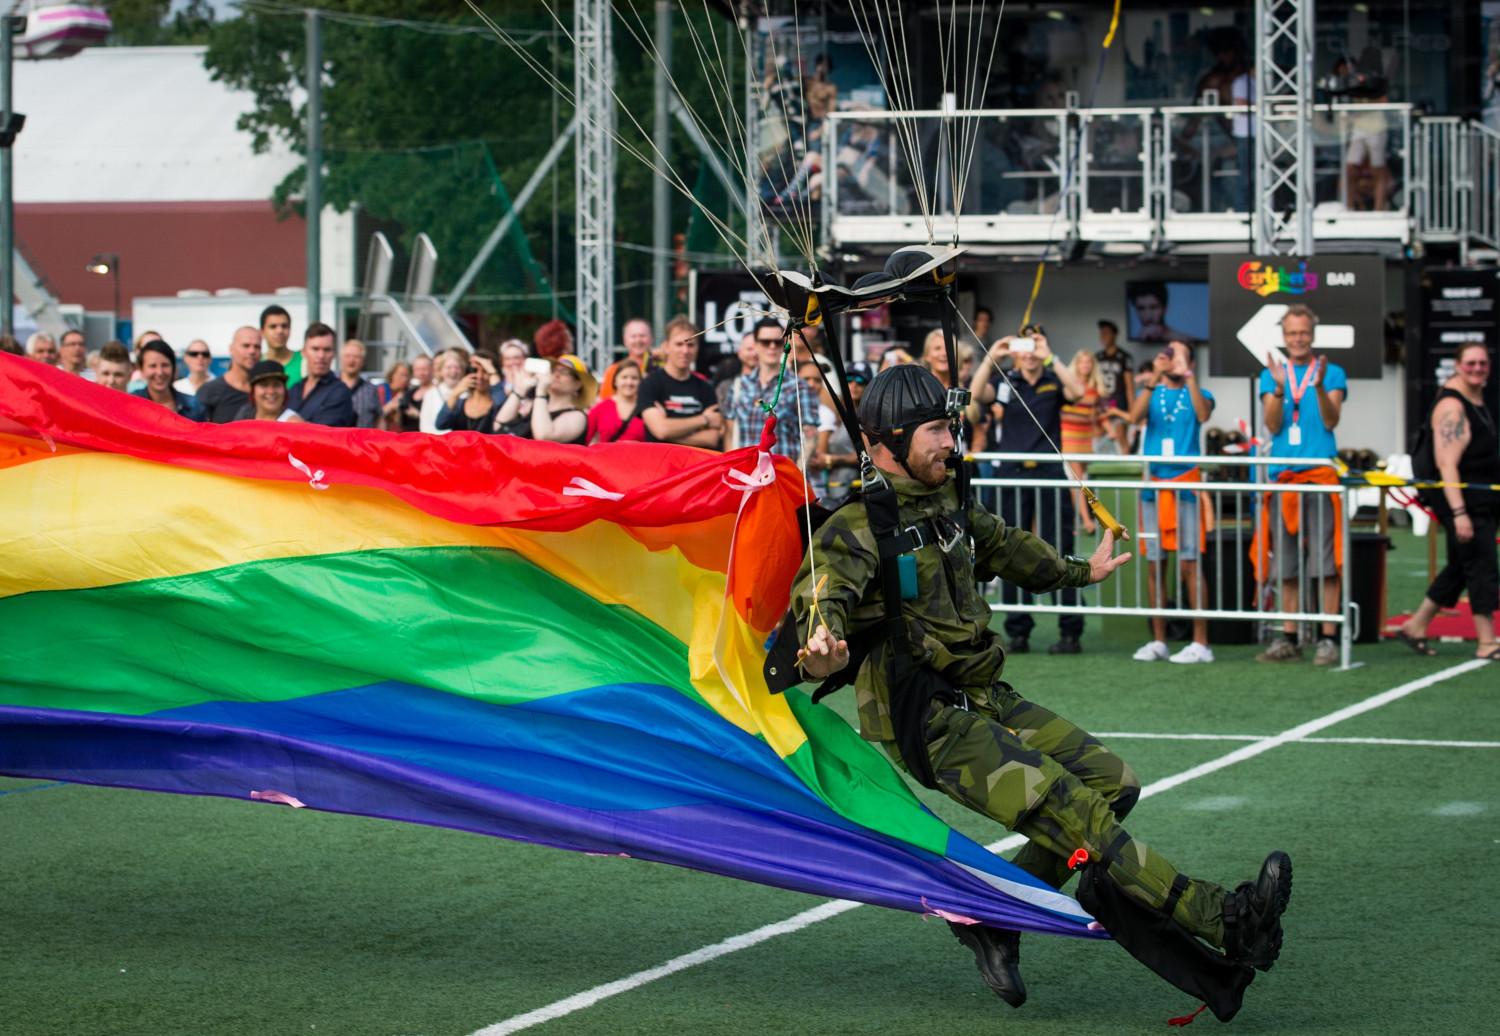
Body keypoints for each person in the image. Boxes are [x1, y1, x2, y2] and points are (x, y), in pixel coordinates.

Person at [791, 363, 1292, 1013]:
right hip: (930, 721)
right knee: (1075, 810)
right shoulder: (856, 526)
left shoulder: (948, 500)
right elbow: (821, 595)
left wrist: (1085, 570)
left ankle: (993, 919)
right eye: (939, 430)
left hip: (985, 693)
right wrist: (823, 641)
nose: (952, 441)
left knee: (1115, 785)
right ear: (890, 439)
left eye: (952, 427)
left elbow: (1010, 548)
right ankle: (1227, 920)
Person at [967, 327, 1090, 654]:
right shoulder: (1007, 380)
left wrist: (1050, 354)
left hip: (1049, 473)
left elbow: (1078, 392)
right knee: (1010, 550)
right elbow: (977, 393)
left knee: (1060, 547)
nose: (1029, 351)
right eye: (1024, 344)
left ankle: (1070, 629)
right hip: (1013, 474)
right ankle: (1018, 630)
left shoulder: (1053, 377)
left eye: (1035, 344)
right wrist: (994, 353)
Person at [1255, 304, 1348, 666]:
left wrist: (1321, 385)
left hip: (1320, 477)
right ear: (1283, 336)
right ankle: (1289, 637)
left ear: (1312, 334)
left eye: (1304, 333)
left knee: (1325, 562)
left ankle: (1327, 638)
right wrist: (1278, 390)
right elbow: (1273, 425)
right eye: (1292, 333)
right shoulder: (1271, 376)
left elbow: (1331, 419)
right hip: (1285, 479)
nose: (1298, 339)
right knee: (1287, 563)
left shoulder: (1333, 373)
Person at [1397, 342, 1499, 660]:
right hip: (1465, 501)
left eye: (1482, 363)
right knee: (1481, 564)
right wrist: (1459, 513)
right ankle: (1487, 641)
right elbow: (1446, 463)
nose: (1477, 368)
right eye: (1470, 363)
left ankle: (1416, 625)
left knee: (1460, 565)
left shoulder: (1476, 398)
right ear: (1457, 365)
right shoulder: (1452, 407)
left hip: (1479, 498)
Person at [1130, 340, 1216, 664]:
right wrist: (1153, 378)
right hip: (1154, 485)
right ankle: (1158, 639)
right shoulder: (1153, 391)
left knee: (1190, 563)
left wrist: (1188, 374)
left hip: (1186, 485)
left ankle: (1201, 642)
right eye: (1168, 354)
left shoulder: (1200, 391)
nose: (1172, 359)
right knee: (1155, 562)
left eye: (1179, 355)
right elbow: (1134, 417)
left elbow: (1203, 414)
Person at [725, 317, 819, 458]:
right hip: (746, 474)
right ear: (756, 345)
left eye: (777, 342)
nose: (772, 347)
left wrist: (797, 474)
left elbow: (810, 437)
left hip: (781, 474)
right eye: (765, 342)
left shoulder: (800, 387)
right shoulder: (739, 385)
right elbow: (730, 433)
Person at [639, 316, 723, 448]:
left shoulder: (706, 387)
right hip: (661, 466)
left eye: (690, 345)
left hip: (697, 466)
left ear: (697, 348)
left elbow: (711, 439)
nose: (685, 351)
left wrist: (669, 430)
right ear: (666, 347)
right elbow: (661, 430)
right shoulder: (649, 384)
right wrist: (704, 419)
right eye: (679, 344)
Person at [1060, 350, 1108, 535]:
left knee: (1080, 481)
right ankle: (1086, 520)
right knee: (1078, 481)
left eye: (1089, 362)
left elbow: (1097, 415)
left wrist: (1107, 429)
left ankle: (1075, 519)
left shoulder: (1095, 390)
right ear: (1077, 364)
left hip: (1086, 438)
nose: (1086, 366)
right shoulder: (1069, 386)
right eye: (1082, 362)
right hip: (1069, 435)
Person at [814, 360, 872, 506]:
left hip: (856, 489)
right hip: (830, 488)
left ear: (868, 385)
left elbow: (867, 455)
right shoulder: (837, 411)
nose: (854, 385)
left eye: (860, 380)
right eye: (849, 379)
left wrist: (831, 460)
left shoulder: (868, 417)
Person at [288, 323, 355, 427]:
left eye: (327, 350)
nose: (321, 356)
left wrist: (296, 424)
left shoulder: (340, 392)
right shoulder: (295, 389)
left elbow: (326, 436)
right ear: (304, 352)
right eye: (315, 349)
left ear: (334, 354)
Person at [197, 326, 263, 423]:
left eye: (257, 347)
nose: (252, 351)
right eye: (246, 345)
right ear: (231, 349)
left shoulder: (268, 392)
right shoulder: (209, 390)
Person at [528, 354, 595, 445]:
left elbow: (543, 436)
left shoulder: (578, 416)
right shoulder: (537, 404)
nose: (557, 374)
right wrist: (519, 391)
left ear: (578, 384)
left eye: (565, 372)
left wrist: (541, 390)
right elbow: (502, 424)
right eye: (554, 370)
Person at [132, 340, 204, 420]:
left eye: (165, 365)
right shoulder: (132, 404)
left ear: (173, 367)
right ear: (141, 370)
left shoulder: (194, 406)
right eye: (152, 366)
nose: (160, 372)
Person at [438, 353, 505, 434]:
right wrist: (455, 393)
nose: (479, 376)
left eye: (485, 371)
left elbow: (501, 405)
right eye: (475, 371)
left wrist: (493, 372)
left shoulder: (496, 402)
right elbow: (440, 424)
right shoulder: (460, 404)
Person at [1095, 320, 1135, 452]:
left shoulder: (1124, 357)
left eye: (1107, 333)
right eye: (1102, 333)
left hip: (1119, 404)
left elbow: (1130, 386)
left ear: (1114, 335)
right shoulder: (1098, 357)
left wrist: (1132, 410)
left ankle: (1127, 468)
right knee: (1100, 438)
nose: (1103, 336)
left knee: (1121, 437)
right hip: (1102, 404)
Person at [587, 359, 648, 444]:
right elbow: (584, 440)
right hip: (606, 457)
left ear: (640, 382)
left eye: (634, 378)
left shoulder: (647, 408)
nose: (629, 382)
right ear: (615, 381)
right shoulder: (601, 408)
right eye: (624, 377)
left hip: (639, 457)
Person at [232, 360, 304, 422]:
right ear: (253, 391)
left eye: (276, 385)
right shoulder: (244, 415)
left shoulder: (293, 424)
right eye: (264, 385)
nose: (271, 391)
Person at [601, 318, 654, 400]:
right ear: (625, 340)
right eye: (633, 336)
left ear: (651, 339)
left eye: (642, 336)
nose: (638, 340)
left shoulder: (662, 368)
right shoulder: (614, 370)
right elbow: (606, 403)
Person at [1128, 283, 1193, 346]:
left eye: (1153, 307)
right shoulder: (1138, 338)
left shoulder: (1185, 340)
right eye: (1141, 308)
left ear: (1165, 308)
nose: (1148, 315)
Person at [421, 349, 469, 434]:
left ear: (462, 371)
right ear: (441, 371)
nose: (453, 371)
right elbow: (425, 426)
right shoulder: (431, 394)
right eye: (448, 367)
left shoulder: (468, 394)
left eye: (457, 367)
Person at [338, 338, 382, 429]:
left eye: (356, 357)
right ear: (341, 358)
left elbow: (379, 419)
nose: (351, 361)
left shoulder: (371, 389)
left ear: (363, 361)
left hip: (363, 441)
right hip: (335, 441)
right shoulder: (329, 387)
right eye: (347, 356)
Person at [260, 304, 300, 383]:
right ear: (262, 332)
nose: (280, 331)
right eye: (273, 326)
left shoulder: (305, 363)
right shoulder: (256, 363)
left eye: (284, 326)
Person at [379, 361, 414, 431]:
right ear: (392, 375)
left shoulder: (410, 393)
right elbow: (375, 415)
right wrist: (391, 405)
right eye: (401, 375)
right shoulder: (381, 390)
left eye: (407, 376)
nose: (405, 379)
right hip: (385, 434)